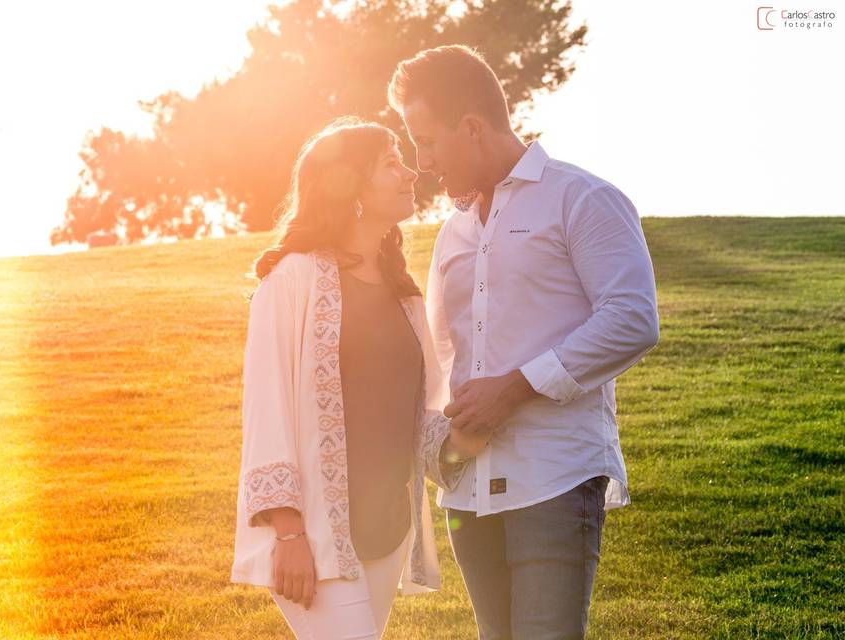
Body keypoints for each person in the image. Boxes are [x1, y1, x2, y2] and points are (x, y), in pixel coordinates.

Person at [387, 45, 661, 639]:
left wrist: (514, 388)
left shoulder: (582, 198)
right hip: (470, 492)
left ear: (472, 128)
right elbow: (441, 358)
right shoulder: (453, 233)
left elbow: (633, 318)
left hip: (554, 479)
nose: (422, 161)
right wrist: (442, 451)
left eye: (427, 140)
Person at [231, 116, 486, 640]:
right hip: (317, 539)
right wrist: (289, 535)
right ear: (348, 185)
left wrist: (474, 431)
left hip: (386, 531)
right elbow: (267, 410)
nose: (410, 172)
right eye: (390, 163)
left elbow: (416, 414)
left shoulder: (403, 292)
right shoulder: (292, 279)